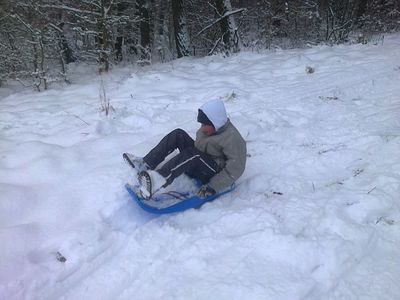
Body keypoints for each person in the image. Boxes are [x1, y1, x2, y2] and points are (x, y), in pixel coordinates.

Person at [123, 99, 246, 200]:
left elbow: (236, 168)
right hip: (199, 160)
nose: (202, 128)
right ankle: (145, 164)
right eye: (201, 124)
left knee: (193, 154)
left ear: (216, 122)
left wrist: (213, 185)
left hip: (212, 172)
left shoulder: (232, 137)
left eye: (204, 125)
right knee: (178, 134)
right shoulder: (211, 129)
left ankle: (157, 181)